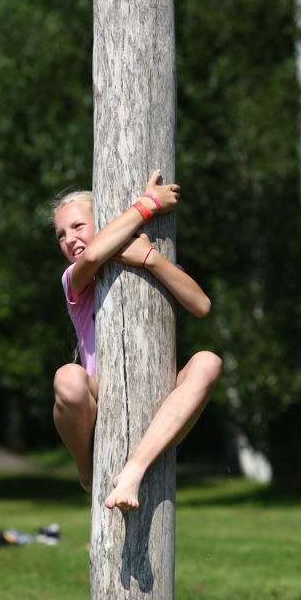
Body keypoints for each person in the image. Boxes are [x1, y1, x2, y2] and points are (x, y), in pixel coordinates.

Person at [52, 170, 222, 511]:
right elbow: (93, 256)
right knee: (67, 377)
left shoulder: (152, 257)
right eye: (60, 234)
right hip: (102, 398)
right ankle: (87, 472)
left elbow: (202, 305)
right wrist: (149, 205)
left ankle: (136, 468)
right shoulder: (75, 279)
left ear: (104, 222)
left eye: (78, 226)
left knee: (209, 361)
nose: (69, 238)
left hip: (163, 403)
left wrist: (151, 258)